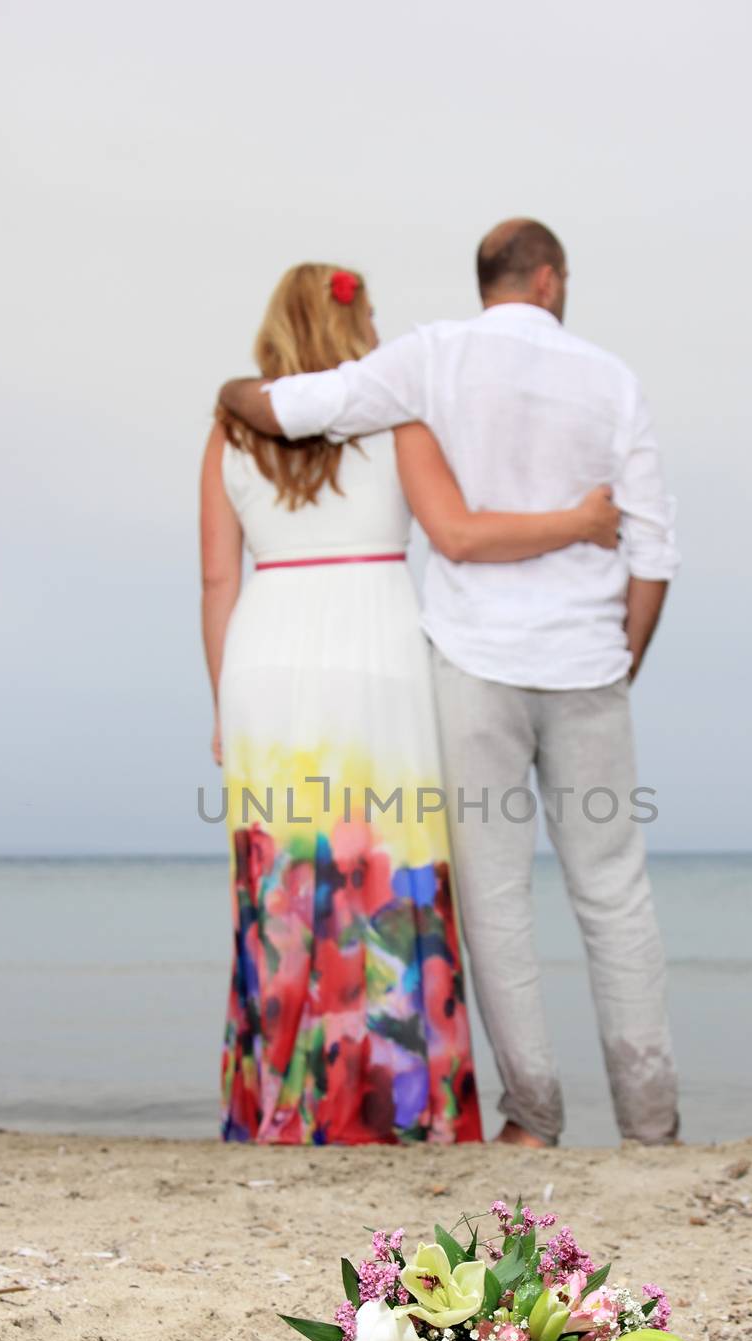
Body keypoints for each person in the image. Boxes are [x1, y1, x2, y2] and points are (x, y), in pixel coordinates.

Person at [217, 220, 681, 1149]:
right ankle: (651, 1125)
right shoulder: (610, 378)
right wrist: (618, 656)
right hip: (576, 663)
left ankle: (534, 1117)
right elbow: (653, 547)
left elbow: (294, 410)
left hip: (467, 664)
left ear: (487, 282)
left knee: (494, 897)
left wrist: (231, 388)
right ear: (550, 280)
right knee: (613, 892)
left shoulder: (427, 359)